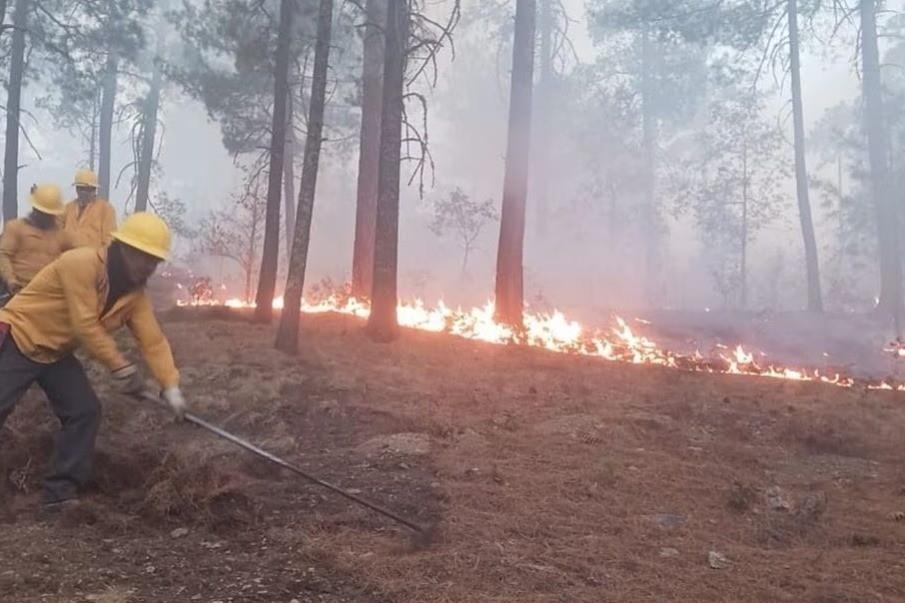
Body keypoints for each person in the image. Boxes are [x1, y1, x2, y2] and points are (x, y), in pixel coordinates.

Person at [0, 212, 187, 511]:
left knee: (84, 411)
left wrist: (171, 386)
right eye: (144, 257)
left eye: (155, 261)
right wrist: (121, 367)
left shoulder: (134, 297)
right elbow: (84, 325)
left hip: (54, 353)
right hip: (17, 336)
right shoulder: (81, 263)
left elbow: (153, 341)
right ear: (124, 248)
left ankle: (59, 494)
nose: (149, 267)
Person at [0, 184, 72, 303]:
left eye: (50, 214)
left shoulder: (60, 235)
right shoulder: (16, 228)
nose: (47, 217)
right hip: (19, 293)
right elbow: (3, 255)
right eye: (43, 213)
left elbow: (80, 252)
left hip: (49, 295)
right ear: (35, 209)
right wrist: (10, 280)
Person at [62, 169, 117, 248]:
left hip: (93, 258)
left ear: (94, 190)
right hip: (68, 257)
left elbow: (109, 240)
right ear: (77, 189)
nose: (85, 192)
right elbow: (57, 236)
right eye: (81, 189)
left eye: (89, 189)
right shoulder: (67, 209)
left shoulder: (106, 209)